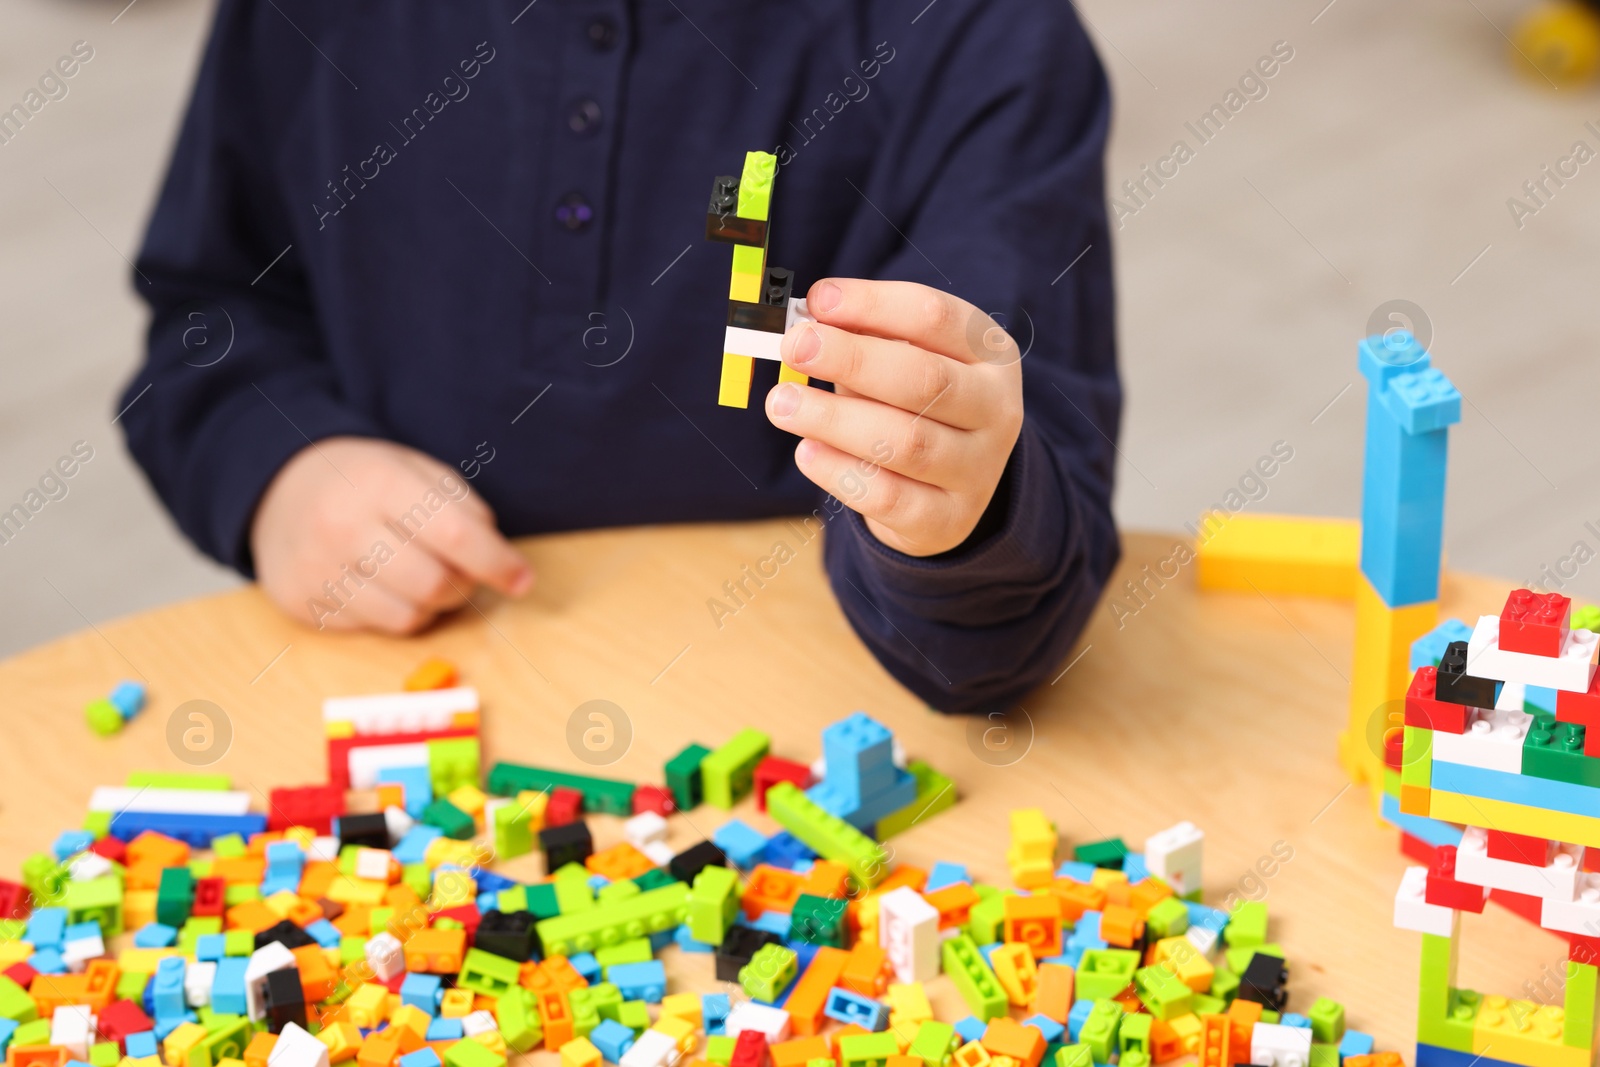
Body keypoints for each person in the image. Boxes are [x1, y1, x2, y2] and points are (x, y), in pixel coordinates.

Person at [121, 0, 1122, 716]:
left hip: (807, 732)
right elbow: (205, 322)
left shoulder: (983, 36)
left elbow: (1013, 621)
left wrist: (957, 518)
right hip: (404, 703)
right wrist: (281, 468)